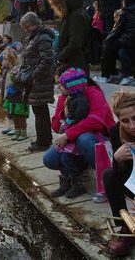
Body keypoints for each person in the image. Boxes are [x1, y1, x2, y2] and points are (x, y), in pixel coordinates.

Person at [43, 67, 115, 200]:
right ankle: (73, 179)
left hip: (97, 137)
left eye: (60, 83)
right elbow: (56, 125)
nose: (58, 87)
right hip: (73, 138)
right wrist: (63, 115)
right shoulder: (65, 98)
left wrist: (69, 134)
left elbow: (96, 121)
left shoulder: (92, 93)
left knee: (84, 140)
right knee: (49, 159)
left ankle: (106, 179)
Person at [48, 68, 92, 198]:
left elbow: (79, 119)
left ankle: (77, 183)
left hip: (74, 136)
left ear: (72, 87)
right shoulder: (71, 98)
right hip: (68, 133)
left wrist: (68, 125)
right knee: (63, 157)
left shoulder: (81, 101)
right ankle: (66, 183)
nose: (59, 87)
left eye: (62, 85)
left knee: (68, 158)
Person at [103, 91, 135, 257]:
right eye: (125, 121)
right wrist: (118, 159)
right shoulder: (116, 131)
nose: (132, 126)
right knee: (109, 175)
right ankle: (126, 226)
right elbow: (120, 171)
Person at [19, 12, 55, 151]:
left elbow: (46, 60)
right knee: (39, 111)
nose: (25, 29)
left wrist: (34, 75)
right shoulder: (36, 36)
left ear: (33, 24)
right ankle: (43, 139)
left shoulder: (42, 37)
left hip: (40, 80)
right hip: (36, 80)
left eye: (26, 26)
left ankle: (44, 142)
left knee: (41, 111)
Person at [44, 0, 91, 74]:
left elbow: (75, 43)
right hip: (71, 63)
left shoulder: (76, 15)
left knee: (75, 87)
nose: (54, 6)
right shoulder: (71, 14)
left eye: (57, 2)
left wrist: (60, 57)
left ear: (66, 0)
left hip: (75, 65)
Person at [104, 0, 135, 86]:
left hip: (128, 41)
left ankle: (112, 75)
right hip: (131, 41)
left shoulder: (125, 13)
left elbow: (117, 30)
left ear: (125, 3)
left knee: (118, 50)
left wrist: (107, 41)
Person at [3, 49, 29, 141]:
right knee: (14, 114)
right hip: (12, 96)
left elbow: (18, 82)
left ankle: (23, 133)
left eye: (5, 59)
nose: (3, 61)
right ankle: (17, 132)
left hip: (19, 96)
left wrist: (14, 78)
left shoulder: (17, 69)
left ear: (11, 59)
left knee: (20, 116)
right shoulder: (8, 69)